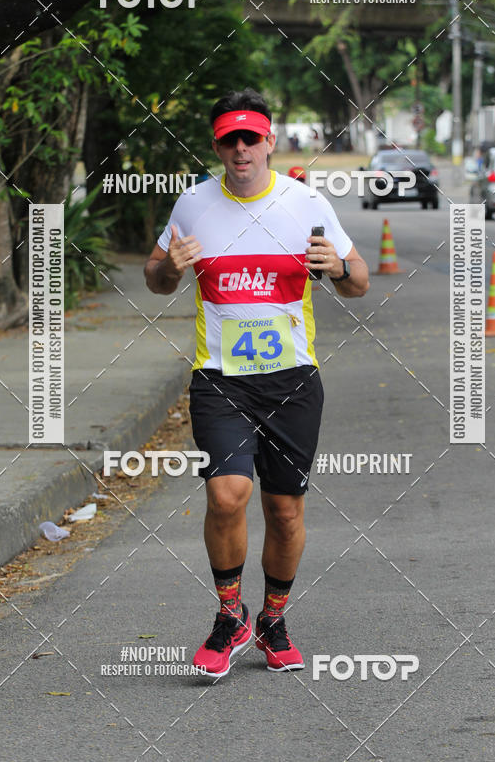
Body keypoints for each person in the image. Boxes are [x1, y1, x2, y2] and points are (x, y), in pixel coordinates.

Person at [144, 88, 369, 679]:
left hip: (292, 381)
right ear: (218, 146)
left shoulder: (307, 203)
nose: (240, 148)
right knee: (226, 495)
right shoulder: (192, 205)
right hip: (220, 380)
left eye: (251, 137)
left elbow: (359, 281)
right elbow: (156, 277)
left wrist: (338, 269)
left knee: (285, 510)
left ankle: (272, 618)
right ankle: (228, 616)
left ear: (269, 141)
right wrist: (171, 267)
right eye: (229, 139)